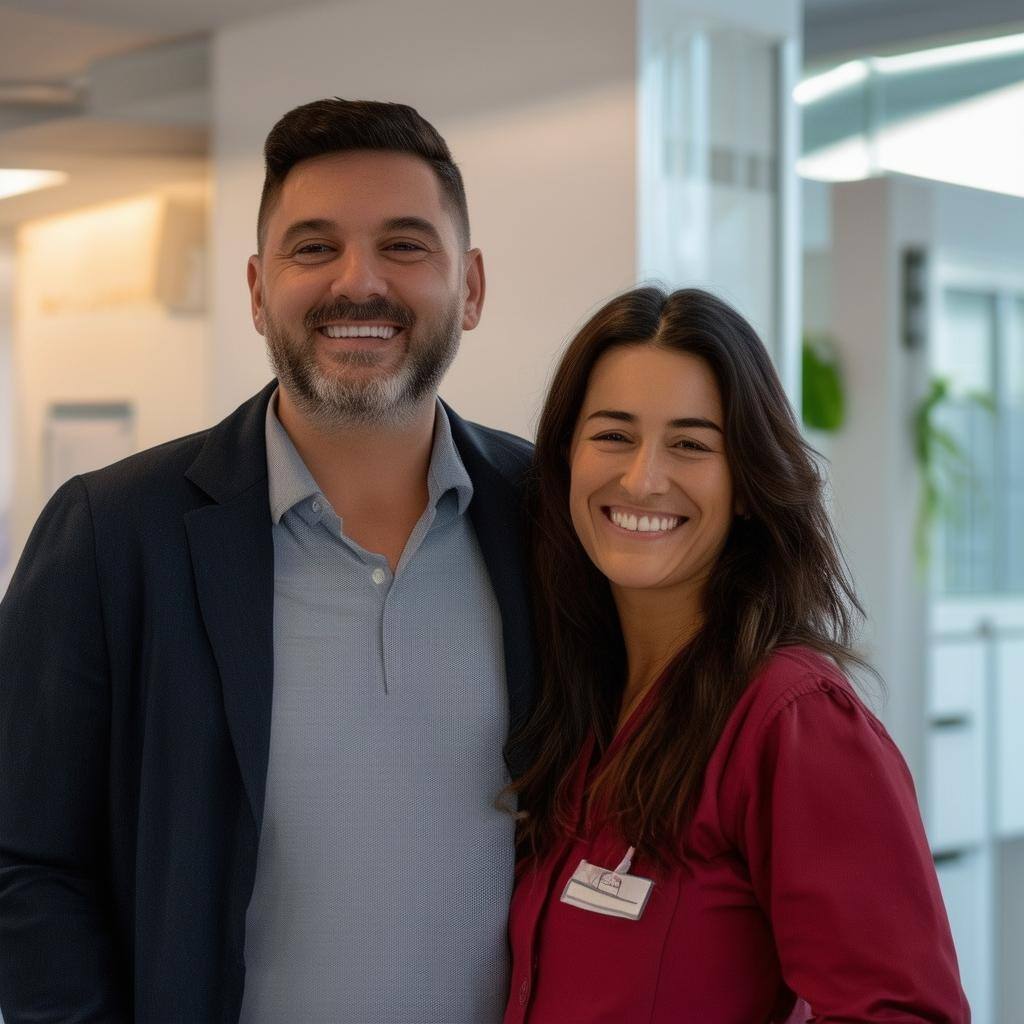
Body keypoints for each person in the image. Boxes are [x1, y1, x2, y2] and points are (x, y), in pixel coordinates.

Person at [0, 98, 535, 1023]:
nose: (358, 281)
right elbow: (23, 859)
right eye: (313, 247)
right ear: (257, 288)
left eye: (406, 246)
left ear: (473, 287)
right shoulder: (115, 535)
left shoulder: (548, 519)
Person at [504, 287, 969, 1023]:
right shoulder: (571, 701)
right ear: (566, 459)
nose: (642, 478)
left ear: (747, 484)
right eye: (614, 435)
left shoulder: (794, 720)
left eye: (690, 444)